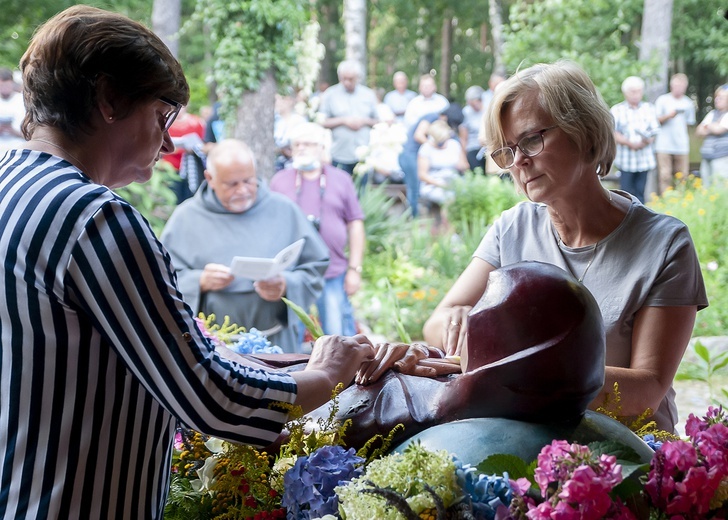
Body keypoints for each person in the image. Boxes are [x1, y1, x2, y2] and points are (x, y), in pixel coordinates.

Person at [0, 6, 374, 519]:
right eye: (162, 115)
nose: (171, 140)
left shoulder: (9, 185)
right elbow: (208, 395)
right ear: (110, 99)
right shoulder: (94, 219)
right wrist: (324, 375)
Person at [366, 61, 708, 433]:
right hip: (521, 447)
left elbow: (646, 391)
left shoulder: (664, 243)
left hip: (623, 459)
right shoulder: (513, 227)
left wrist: (508, 368)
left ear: (587, 133)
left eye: (532, 140)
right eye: (507, 151)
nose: (520, 161)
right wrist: (460, 321)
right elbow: (437, 323)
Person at [161, 138, 330, 353]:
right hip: (213, 344)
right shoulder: (186, 218)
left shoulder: (283, 209)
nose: (242, 190)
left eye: (249, 181)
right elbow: (161, 279)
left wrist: (286, 284)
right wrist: (199, 281)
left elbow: (316, 265)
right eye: (232, 184)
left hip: (275, 340)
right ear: (210, 178)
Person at [270, 122, 365, 336]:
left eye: (308, 144)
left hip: (333, 271)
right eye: (297, 145)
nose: (301, 148)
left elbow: (355, 224)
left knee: (338, 335)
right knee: (290, 333)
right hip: (293, 273)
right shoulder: (279, 181)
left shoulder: (341, 180)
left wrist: (354, 269)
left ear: (322, 148)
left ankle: (347, 371)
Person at [398, 104, 463, 216]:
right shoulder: (431, 117)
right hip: (410, 154)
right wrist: (434, 146)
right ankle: (415, 219)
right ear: (446, 118)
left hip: (420, 154)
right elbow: (418, 135)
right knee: (415, 188)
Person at [318, 60, 379, 175]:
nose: (347, 82)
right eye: (343, 79)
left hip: (363, 154)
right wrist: (343, 121)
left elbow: (378, 121)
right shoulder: (330, 94)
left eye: (350, 79)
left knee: (362, 192)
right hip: (339, 154)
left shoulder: (368, 94)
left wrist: (364, 121)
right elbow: (321, 121)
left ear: (358, 77)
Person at [611, 76, 660, 203]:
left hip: (644, 160)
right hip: (626, 160)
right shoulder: (617, 110)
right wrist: (629, 143)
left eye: (639, 91)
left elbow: (655, 130)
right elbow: (613, 132)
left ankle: (641, 220)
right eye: (633, 91)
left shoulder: (649, 108)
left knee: (640, 192)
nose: (636, 95)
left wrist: (646, 141)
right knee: (625, 193)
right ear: (626, 93)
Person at [417, 119, 469, 232]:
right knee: (448, 198)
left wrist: (462, 166)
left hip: (452, 181)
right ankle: (449, 232)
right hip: (433, 183)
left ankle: (461, 230)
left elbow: (464, 165)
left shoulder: (454, 145)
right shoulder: (426, 148)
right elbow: (422, 175)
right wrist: (440, 184)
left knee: (467, 194)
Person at [654, 73, 697, 194]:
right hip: (663, 145)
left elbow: (689, 124)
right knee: (665, 175)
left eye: (682, 86)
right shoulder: (663, 100)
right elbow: (655, 121)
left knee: (682, 175)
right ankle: (666, 199)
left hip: (681, 145)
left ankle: (680, 200)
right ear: (671, 85)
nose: (679, 88)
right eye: (677, 85)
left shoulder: (688, 103)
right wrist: (669, 116)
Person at [161, 105, 207, 203]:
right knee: (173, 195)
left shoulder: (196, 123)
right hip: (170, 167)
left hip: (190, 168)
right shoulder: (166, 123)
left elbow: (202, 144)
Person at [696, 85, 728, 187]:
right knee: (706, 187)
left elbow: (719, 130)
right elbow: (699, 131)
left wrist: (708, 127)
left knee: (720, 186)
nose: (717, 100)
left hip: (721, 157)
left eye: (721, 98)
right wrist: (713, 126)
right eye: (717, 97)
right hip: (707, 156)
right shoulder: (711, 114)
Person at [459, 85, 486, 171]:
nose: (473, 106)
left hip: (487, 148)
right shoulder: (466, 112)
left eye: (474, 103)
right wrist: (464, 156)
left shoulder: (488, 109)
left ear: (480, 100)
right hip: (472, 148)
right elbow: (463, 137)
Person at [0, 68, 25, 151]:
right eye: (2, 85)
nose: (4, 88)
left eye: (7, 85)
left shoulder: (23, 101)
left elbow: (32, 135)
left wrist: (13, 131)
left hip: (19, 149)